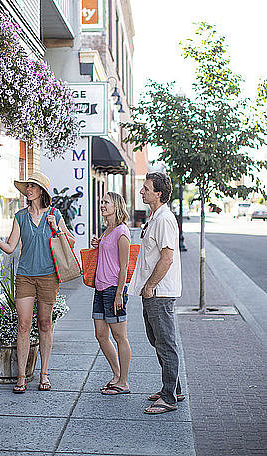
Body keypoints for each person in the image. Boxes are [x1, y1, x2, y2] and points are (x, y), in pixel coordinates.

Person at [0, 171, 74, 394]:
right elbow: (11, 247)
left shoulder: (54, 214)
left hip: (49, 276)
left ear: (41, 191)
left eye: (32, 187)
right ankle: (21, 376)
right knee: (23, 325)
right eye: (27, 187)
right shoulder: (20, 216)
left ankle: (44, 374)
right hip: (25, 276)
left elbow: (69, 242)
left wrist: (56, 227)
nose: (28, 190)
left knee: (44, 323)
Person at [128, 172, 184, 414]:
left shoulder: (163, 220)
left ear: (158, 193)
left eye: (146, 188)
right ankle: (173, 389)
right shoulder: (155, 217)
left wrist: (150, 285)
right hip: (152, 292)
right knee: (157, 341)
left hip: (159, 293)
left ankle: (169, 398)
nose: (142, 192)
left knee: (165, 343)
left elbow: (167, 258)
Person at [91, 192, 131, 395]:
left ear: (116, 205)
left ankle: (124, 382)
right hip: (100, 289)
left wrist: (119, 295)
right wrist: (98, 245)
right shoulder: (107, 229)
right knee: (101, 335)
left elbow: (124, 267)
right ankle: (116, 375)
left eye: (106, 202)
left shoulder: (122, 232)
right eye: (102, 202)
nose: (102, 205)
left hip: (113, 290)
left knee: (120, 336)